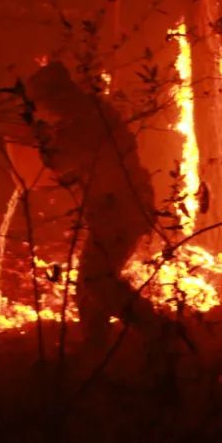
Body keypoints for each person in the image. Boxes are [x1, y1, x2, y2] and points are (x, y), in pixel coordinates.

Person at [23, 60, 160, 347]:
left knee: (97, 281)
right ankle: (97, 351)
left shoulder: (81, 122)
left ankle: (160, 334)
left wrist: (36, 135)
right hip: (119, 206)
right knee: (88, 288)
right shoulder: (92, 112)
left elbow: (57, 165)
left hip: (120, 209)